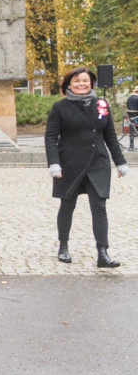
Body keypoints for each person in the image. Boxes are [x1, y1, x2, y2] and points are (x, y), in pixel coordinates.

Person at [44, 67, 129, 268]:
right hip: (69, 163)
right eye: (76, 81)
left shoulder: (101, 104)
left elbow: (110, 136)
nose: (81, 84)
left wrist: (120, 161)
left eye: (85, 80)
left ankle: (103, 252)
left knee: (99, 208)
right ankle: (63, 246)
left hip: (98, 163)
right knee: (67, 206)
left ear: (91, 83)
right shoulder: (60, 107)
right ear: (68, 85)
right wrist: (54, 163)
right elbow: (50, 137)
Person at [126, 86, 138, 151]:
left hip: (131, 118)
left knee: (132, 130)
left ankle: (131, 145)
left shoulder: (129, 98)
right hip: (137, 118)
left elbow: (127, 106)